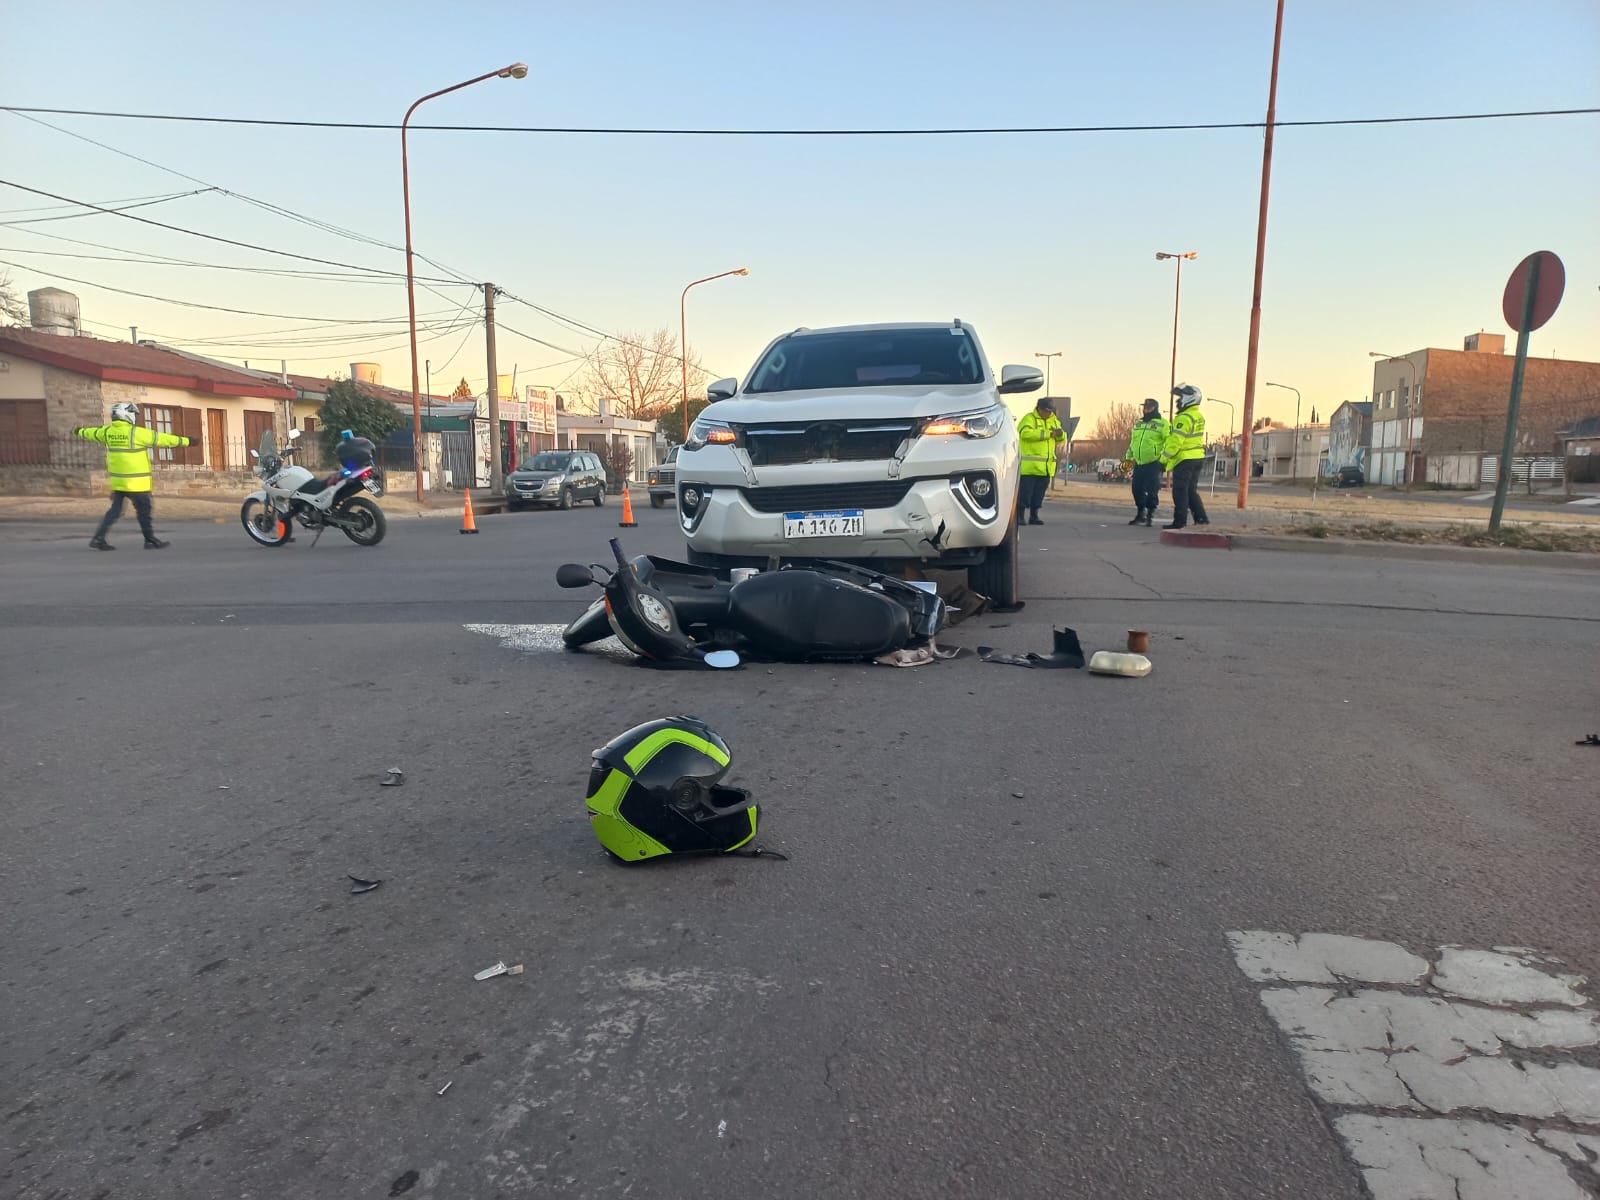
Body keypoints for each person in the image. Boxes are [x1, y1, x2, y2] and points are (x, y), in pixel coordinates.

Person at [73, 402, 191, 550]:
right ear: (126, 415)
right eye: (133, 414)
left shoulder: (108, 432)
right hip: (137, 482)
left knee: (114, 511)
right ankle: (149, 540)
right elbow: (163, 438)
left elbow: (92, 432)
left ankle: (98, 538)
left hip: (119, 482)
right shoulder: (137, 433)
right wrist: (188, 441)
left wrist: (79, 431)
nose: (135, 416)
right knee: (144, 511)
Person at [1160, 384, 1209, 530]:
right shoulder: (1198, 416)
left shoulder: (1184, 418)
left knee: (1180, 491)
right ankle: (1201, 519)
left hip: (1185, 459)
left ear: (1189, 398)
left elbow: (1175, 441)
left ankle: (1179, 522)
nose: (1177, 401)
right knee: (1190, 491)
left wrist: (1163, 459)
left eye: (1180, 397)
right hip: (1197, 457)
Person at [1016, 396, 1065, 525]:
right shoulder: (1029, 419)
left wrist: (1060, 434)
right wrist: (1047, 434)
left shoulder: (1054, 420)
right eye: (1047, 411)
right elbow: (1024, 433)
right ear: (1040, 409)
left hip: (1046, 468)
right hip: (1030, 467)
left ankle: (1034, 516)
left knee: (1039, 494)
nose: (1049, 413)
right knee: (1025, 494)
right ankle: (1020, 516)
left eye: (1051, 411)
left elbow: (1062, 437)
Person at [1124, 398, 1169, 526]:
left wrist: (1163, 460)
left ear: (1155, 408)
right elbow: (1133, 442)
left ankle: (1150, 513)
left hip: (1154, 462)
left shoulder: (1162, 423)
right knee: (1136, 488)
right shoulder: (1139, 423)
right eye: (1145, 407)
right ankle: (1140, 513)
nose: (1145, 409)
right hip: (1139, 462)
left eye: (1148, 407)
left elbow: (1168, 441)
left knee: (1152, 489)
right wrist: (1128, 460)